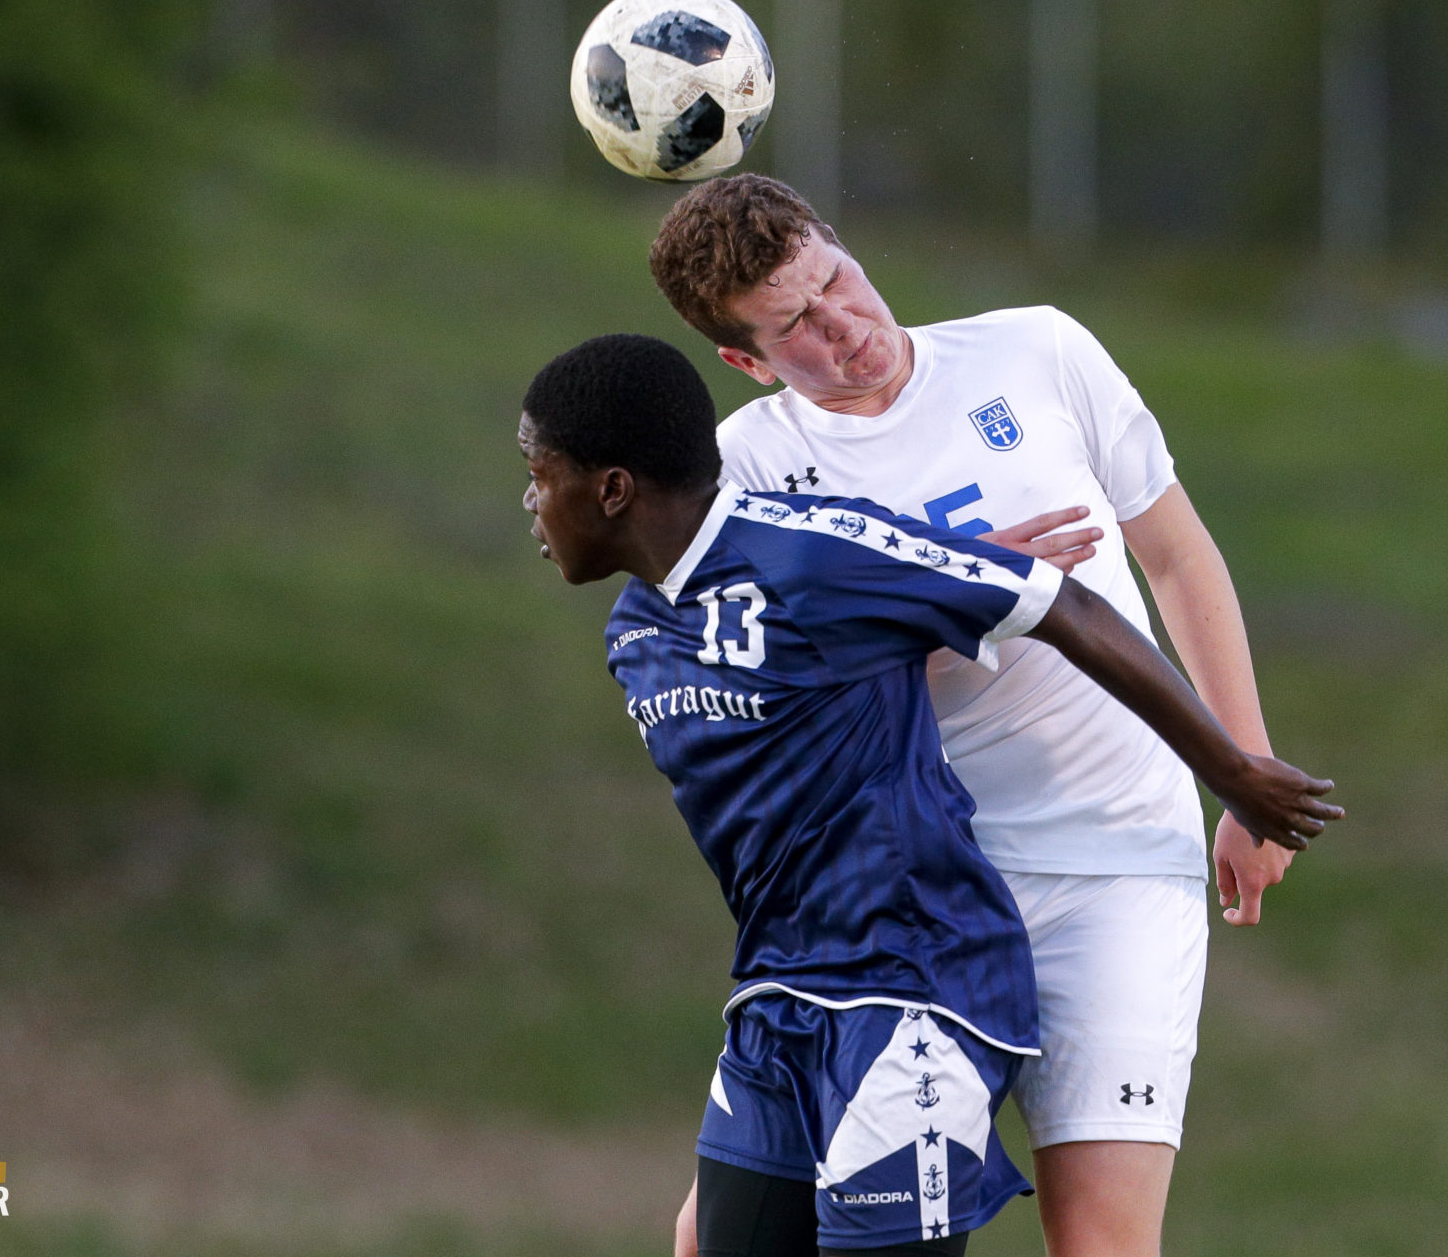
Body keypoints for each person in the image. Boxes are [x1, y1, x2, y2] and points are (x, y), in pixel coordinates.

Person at [519, 333, 1341, 1257]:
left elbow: (1059, 605)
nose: (529, 504)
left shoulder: (817, 555)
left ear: (612, 489)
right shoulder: (636, 631)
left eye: (536, 474)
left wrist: (1232, 770)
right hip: (780, 994)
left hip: (915, 988)